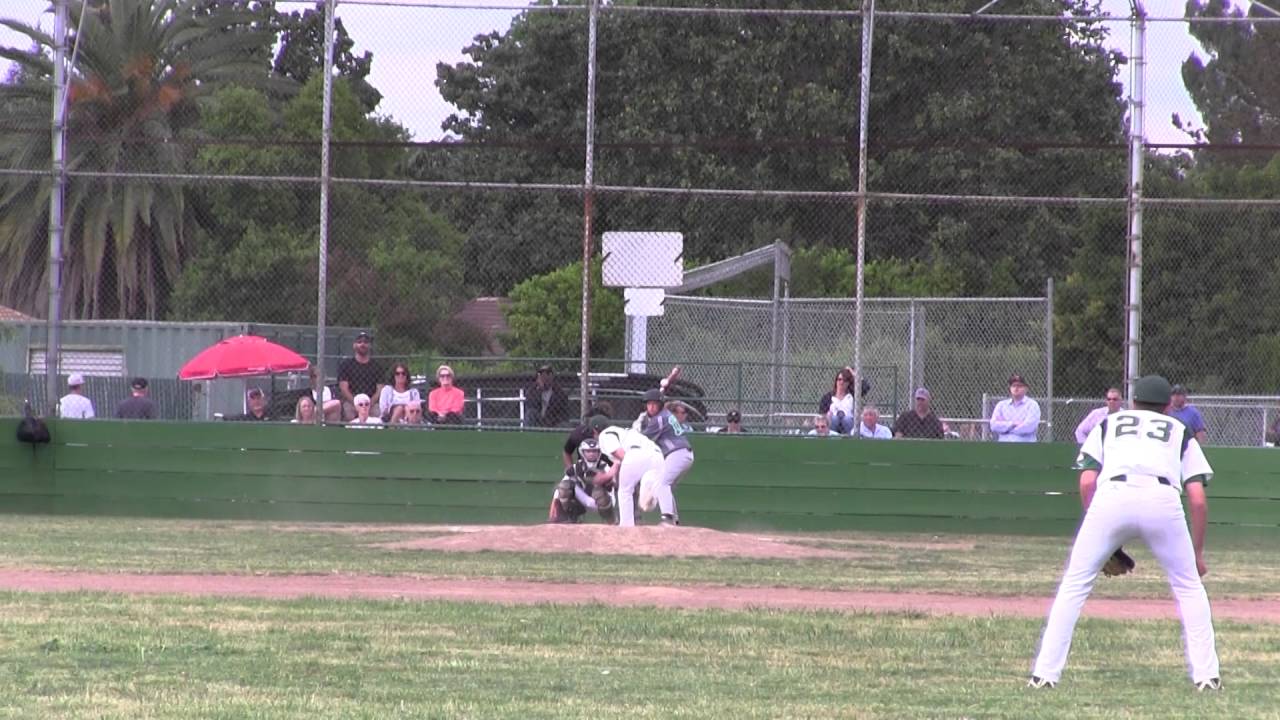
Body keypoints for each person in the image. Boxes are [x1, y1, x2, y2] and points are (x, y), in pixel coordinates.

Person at [1028, 374, 1220, 692]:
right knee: (1189, 587)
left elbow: (1087, 481)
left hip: (1112, 495)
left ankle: (1044, 675)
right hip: (1162, 498)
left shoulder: (1108, 423)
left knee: (1074, 584)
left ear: (1132, 402)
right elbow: (1198, 500)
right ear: (1167, 407)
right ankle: (1207, 677)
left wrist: (1100, 533)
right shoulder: (1179, 429)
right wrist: (1197, 554)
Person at [637, 387, 694, 526]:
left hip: (677, 453)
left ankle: (667, 519)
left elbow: (643, 438)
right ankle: (674, 520)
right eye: (649, 404)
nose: (651, 407)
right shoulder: (666, 414)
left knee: (662, 484)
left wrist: (636, 428)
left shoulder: (659, 419)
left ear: (660, 405)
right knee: (666, 486)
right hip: (683, 454)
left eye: (654, 404)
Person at [597, 424, 665, 527]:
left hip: (635, 454)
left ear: (594, 432)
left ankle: (626, 525)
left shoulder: (605, 434)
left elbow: (620, 454)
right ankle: (648, 484)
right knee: (653, 493)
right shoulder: (628, 432)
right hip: (658, 455)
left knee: (625, 491)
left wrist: (629, 471)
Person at [548, 438, 619, 524]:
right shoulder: (576, 467)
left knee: (598, 492)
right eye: (588, 451)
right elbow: (560, 489)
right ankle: (570, 518)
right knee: (564, 486)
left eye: (594, 451)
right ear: (582, 452)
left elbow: (614, 485)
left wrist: (605, 482)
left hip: (603, 501)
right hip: (583, 499)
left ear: (599, 452)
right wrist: (553, 512)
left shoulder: (605, 467)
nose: (591, 454)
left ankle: (611, 521)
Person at [337, 332, 385, 421]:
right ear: (354, 345)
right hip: (351, 402)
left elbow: (380, 390)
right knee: (348, 415)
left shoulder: (377, 366)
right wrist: (357, 404)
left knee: (377, 415)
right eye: (359, 342)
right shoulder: (346, 365)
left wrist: (367, 404)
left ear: (370, 346)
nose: (362, 344)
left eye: (366, 342)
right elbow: (343, 388)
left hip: (371, 403)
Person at [989, 374, 1041, 443]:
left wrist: (1005, 429)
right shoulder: (1001, 405)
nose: (1016, 388)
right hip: (1003, 445)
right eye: (1013, 386)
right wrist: (1013, 423)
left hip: (1025, 446)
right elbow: (993, 426)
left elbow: (1029, 427)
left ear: (1026, 389)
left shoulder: (1032, 405)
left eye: (1019, 386)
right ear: (1010, 388)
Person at [818, 367, 864, 435]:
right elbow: (821, 415)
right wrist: (827, 416)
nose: (841, 382)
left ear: (848, 383)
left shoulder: (853, 396)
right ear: (836, 381)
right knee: (834, 419)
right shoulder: (827, 397)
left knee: (847, 419)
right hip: (832, 425)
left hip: (849, 424)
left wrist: (853, 373)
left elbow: (866, 386)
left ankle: (850, 439)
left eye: (845, 380)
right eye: (839, 379)